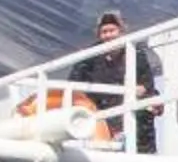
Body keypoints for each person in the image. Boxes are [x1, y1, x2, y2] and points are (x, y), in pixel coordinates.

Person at [63, 8, 162, 152]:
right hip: (101, 113)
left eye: (112, 31)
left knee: (141, 122)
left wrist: (145, 92)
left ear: (121, 32)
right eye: (104, 32)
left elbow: (147, 85)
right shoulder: (91, 56)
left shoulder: (135, 55)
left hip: (132, 118)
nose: (108, 35)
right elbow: (74, 81)